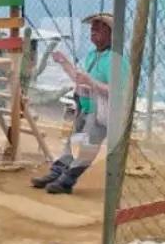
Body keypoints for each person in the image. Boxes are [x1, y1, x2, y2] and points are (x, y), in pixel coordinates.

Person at [31, 12, 122, 194]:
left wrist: (91, 82)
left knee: (87, 150)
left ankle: (66, 181)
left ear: (112, 33)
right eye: (92, 27)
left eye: (99, 27)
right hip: (85, 108)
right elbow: (79, 78)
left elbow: (116, 90)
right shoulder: (91, 56)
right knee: (71, 144)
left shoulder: (116, 61)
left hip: (102, 113)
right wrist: (64, 63)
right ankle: (57, 173)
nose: (93, 30)